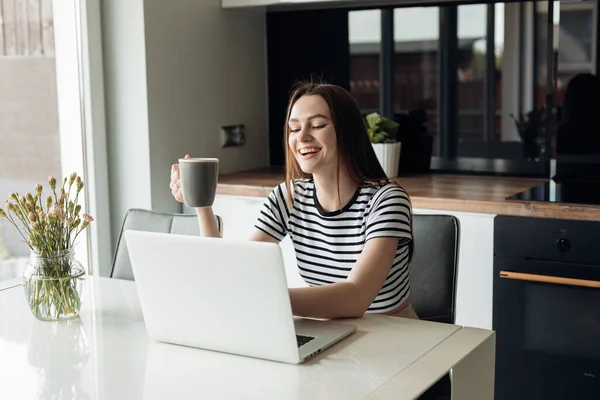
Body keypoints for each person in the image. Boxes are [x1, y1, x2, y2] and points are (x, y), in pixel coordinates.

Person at [170, 81, 418, 320]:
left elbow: (356, 297)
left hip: (392, 337)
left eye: (318, 125)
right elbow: (232, 270)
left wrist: (267, 299)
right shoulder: (288, 197)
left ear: (347, 131)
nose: (302, 137)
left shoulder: (386, 200)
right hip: (334, 334)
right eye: (294, 128)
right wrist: (202, 204)